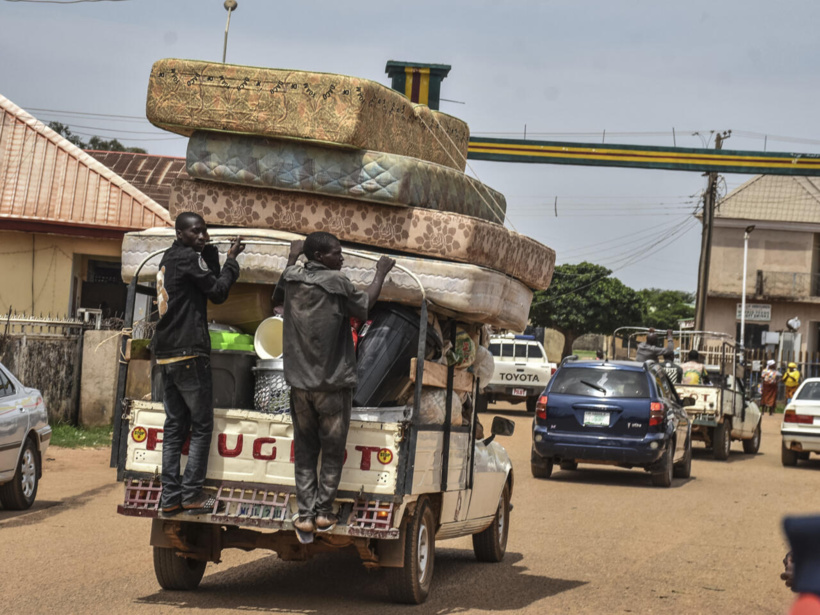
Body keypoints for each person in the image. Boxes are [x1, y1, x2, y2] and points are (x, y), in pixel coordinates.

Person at [274, 232, 395, 537]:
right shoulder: (337, 283)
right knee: (331, 450)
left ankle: (304, 515)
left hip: (299, 385)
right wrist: (380, 272)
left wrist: (292, 255)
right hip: (332, 385)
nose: (341, 259)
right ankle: (323, 513)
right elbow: (365, 303)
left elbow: (278, 291)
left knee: (304, 450)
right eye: (336, 254)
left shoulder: (291, 278)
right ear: (319, 257)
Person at [153, 212, 244, 516]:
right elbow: (218, 292)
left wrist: (212, 255)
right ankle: (191, 494)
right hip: (190, 353)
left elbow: (207, 285)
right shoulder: (189, 259)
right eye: (196, 232)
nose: (202, 237)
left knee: (175, 425)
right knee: (202, 425)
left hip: (166, 354)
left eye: (204, 232)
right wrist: (232, 261)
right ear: (180, 233)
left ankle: (170, 498)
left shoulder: (168, 258)